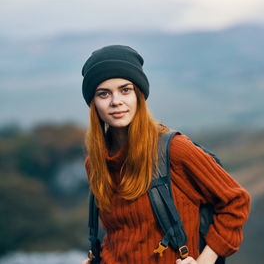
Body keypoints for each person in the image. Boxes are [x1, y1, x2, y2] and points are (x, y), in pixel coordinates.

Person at [79, 45, 250, 264]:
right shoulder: (95, 164)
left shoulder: (173, 150)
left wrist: (206, 259)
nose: (116, 101)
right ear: (93, 103)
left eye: (125, 90)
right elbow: (120, 235)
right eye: (104, 93)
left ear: (139, 94)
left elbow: (235, 200)